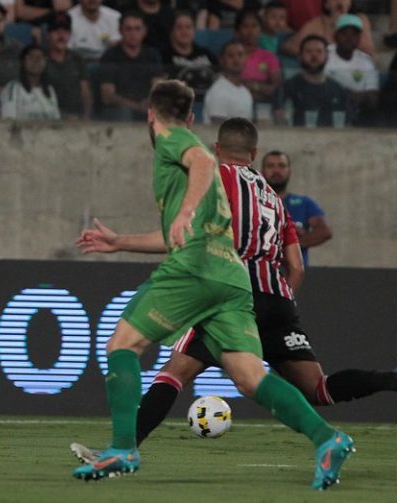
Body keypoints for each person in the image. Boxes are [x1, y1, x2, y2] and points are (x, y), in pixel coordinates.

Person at [74, 119, 394, 486]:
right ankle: (375, 391)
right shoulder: (275, 198)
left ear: (216, 149)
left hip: (229, 291)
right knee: (316, 389)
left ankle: (123, 447)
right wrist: (278, 305)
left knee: (174, 372)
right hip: (279, 299)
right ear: (254, 154)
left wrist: (120, 242)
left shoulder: (214, 178)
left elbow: (188, 236)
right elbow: (296, 265)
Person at [261, 150, 331, 266]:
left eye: (281, 166)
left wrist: (291, 245)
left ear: (289, 171)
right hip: (259, 274)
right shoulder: (252, 201)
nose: (276, 170)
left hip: (295, 276)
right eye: (270, 166)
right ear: (262, 172)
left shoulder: (304, 203)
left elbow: (324, 232)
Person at [97, 11, 162, 121]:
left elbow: (158, 87)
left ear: (144, 31)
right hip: (117, 111)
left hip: (146, 107)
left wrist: (149, 102)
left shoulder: (152, 55)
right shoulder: (110, 56)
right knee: (124, 113)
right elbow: (107, 96)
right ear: (120, 31)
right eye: (128, 29)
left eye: (137, 29)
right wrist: (137, 107)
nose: (133, 33)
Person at [272, 35, 347, 128]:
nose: (314, 55)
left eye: (319, 51)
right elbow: (279, 121)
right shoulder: (286, 88)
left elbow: (346, 124)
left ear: (327, 56)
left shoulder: (338, 89)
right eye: (309, 51)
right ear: (300, 56)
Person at [323, 14, 378, 127]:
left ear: (359, 38)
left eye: (354, 34)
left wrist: (357, 97)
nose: (349, 38)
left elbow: (373, 99)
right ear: (336, 35)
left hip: (358, 113)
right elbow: (320, 88)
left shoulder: (366, 61)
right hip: (327, 112)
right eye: (344, 33)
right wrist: (346, 94)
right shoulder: (324, 55)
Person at [160, 9, 216, 103]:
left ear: (194, 30)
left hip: (208, 102)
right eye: (179, 27)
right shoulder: (164, 56)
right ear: (171, 31)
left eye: (188, 27)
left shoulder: (206, 53)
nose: (184, 31)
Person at [282, 0, 374, 57]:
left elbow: (369, 51)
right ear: (326, 4)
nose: (339, 1)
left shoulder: (361, 19)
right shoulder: (317, 23)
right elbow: (291, 47)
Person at [45, 12, 91, 120]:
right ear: (48, 34)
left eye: (65, 31)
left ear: (70, 34)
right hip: (49, 118)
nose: (61, 36)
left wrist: (86, 117)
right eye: (56, 31)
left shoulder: (78, 59)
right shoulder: (41, 58)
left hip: (77, 117)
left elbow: (85, 92)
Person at [0, 43, 60, 120]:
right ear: (22, 62)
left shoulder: (50, 90)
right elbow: (8, 121)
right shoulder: (12, 88)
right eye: (31, 57)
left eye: (40, 58)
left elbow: (56, 121)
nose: (36, 61)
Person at [234, 9, 281, 103]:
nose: (250, 31)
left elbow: (277, 88)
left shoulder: (269, 57)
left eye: (254, 26)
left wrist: (253, 86)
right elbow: (230, 84)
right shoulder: (232, 54)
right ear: (237, 32)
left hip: (264, 107)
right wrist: (261, 87)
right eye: (245, 26)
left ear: (261, 31)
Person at [202, 40, 252, 124]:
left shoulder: (245, 91)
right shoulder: (218, 91)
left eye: (240, 55)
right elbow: (218, 129)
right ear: (222, 61)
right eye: (231, 56)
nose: (236, 59)